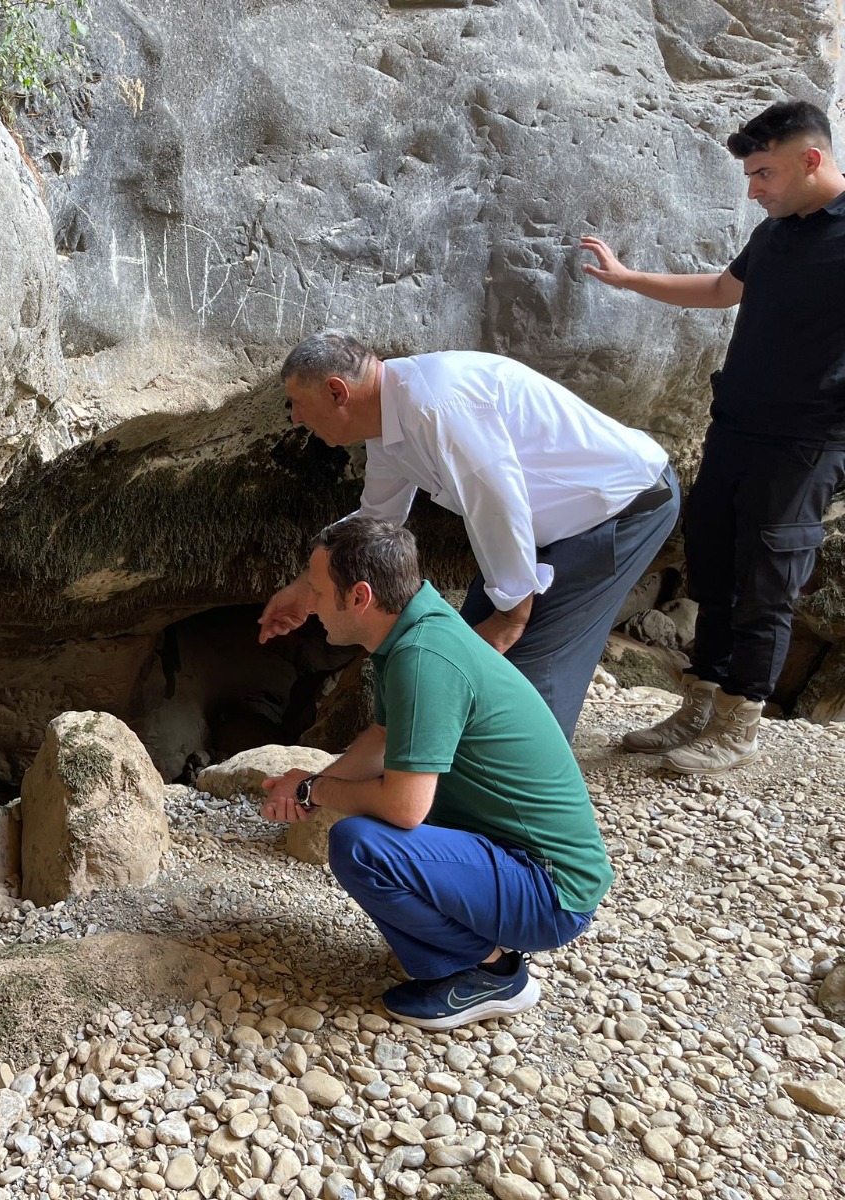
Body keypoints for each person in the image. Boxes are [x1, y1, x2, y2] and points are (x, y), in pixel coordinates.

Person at [259, 516, 611, 1030]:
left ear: (359, 597)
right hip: (526, 863)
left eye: (316, 591)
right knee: (371, 827)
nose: (309, 604)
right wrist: (309, 790)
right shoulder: (416, 626)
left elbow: (405, 808)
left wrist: (316, 788)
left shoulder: (422, 658)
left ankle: (493, 972)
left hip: (549, 891)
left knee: (361, 845)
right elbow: (382, 738)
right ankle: (458, 953)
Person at [581, 99, 845, 773]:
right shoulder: (777, 231)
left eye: (763, 173)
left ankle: (739, 724)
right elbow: (723, 289)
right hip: (735, 427)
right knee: (714, 566)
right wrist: (628, 279)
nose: (753, 190)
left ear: (811, 160)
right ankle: (699, 705)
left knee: (767, 581)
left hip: (805, 443)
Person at [260, 331, 679, 742]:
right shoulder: (388, 421)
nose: (295, 417)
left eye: (297, 402)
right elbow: (378, 516)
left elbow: (499, 504)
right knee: (466, 647)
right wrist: (308, 588)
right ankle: (447, 771)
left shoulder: (438, 405)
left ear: (337, 392)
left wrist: (511, 618)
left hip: (621, 507)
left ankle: (529, 780)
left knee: (528, 663)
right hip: (548, 524)